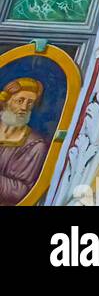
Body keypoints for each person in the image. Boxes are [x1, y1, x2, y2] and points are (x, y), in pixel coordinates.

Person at [0, 77, 49, 205]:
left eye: (30, 103)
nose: (24, 107)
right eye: (20, 100)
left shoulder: (34, 145)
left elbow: (19, 192)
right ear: (6, 101)